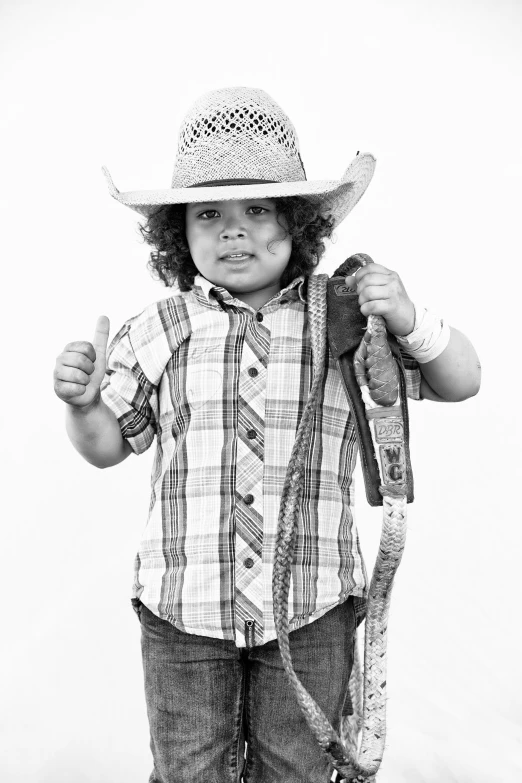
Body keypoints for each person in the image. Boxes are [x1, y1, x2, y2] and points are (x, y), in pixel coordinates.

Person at [53, 87, 480, 783]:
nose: (234, 231)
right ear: (176, 233)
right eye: (209, 215)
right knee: (188, 767)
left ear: (300, 223)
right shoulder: (159, 327)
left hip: (312, 610)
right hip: (184, 607)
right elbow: (107, 445)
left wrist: (408, 316)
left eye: (259, 210)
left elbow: (462, 379)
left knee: (302, 767)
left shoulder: (343, 317)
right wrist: (81, 404)